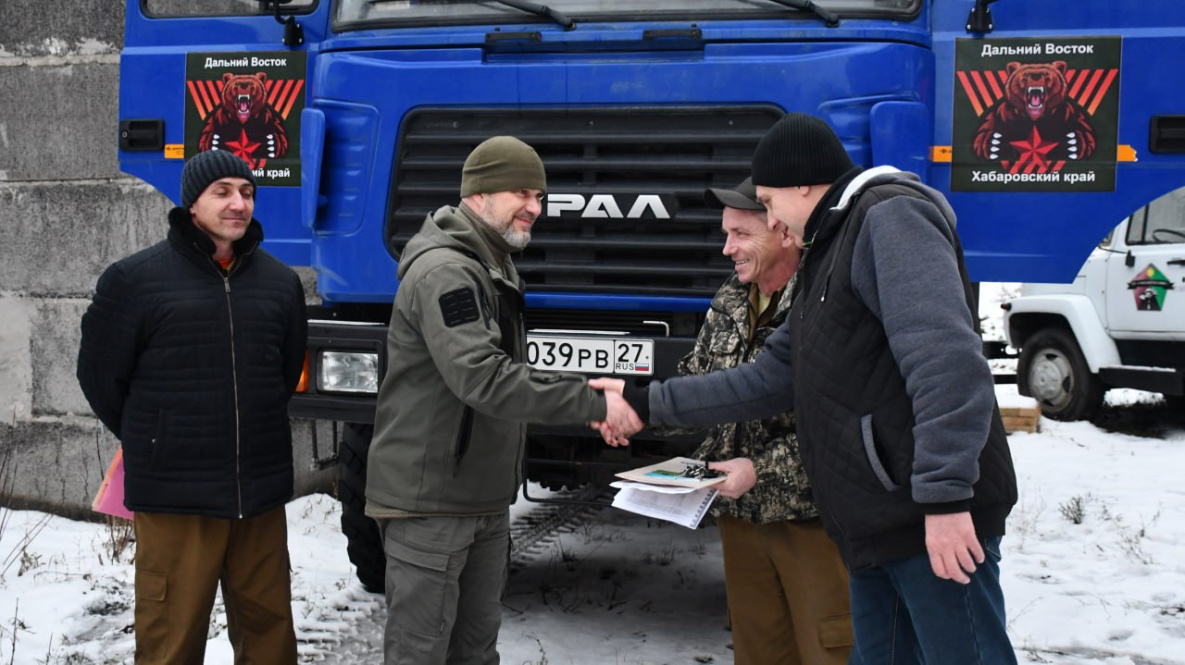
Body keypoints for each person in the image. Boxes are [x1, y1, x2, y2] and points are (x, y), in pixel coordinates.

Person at [594, 113, 1019, 664]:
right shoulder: (828, 250)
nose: (771, 219)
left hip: (927, 520)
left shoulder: (890, 217)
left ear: (802, 185)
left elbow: (948, 363)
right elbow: (768, 378)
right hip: (875, 525)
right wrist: (644, 402)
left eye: (768, 203)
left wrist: (945, 499)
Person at [365, 135, 640, 665]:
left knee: (475, 653)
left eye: (539, 196)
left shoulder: (491, 262)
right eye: (522, 193)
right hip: (432, 507)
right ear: (479, 193)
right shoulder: (448, 273)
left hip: (479, 499)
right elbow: (485, 379)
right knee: (420, 655)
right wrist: (594, 405)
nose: (536, 208)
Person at [77, 149, 308, 664]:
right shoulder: (134, 281)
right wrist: (156, 437)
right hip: (176, 496)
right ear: (192, 204)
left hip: (259, 493)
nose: (238, 204)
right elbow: (100, 379)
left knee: (270, 636)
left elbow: (284, 373)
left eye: (246, 193)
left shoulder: (279, 284)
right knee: (170, 641)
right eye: (222, 192)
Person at [662, 177, 855, 664]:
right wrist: (634, 414)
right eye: (725, 234)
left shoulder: (826, 297)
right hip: (741, 520)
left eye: (741, 235)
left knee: (830, 652)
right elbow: (700, 383)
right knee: (757, 653)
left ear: (782, 231)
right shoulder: (731, 298)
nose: (727, 249)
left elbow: (840, 428)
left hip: (811, 524)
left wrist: (760, 471)